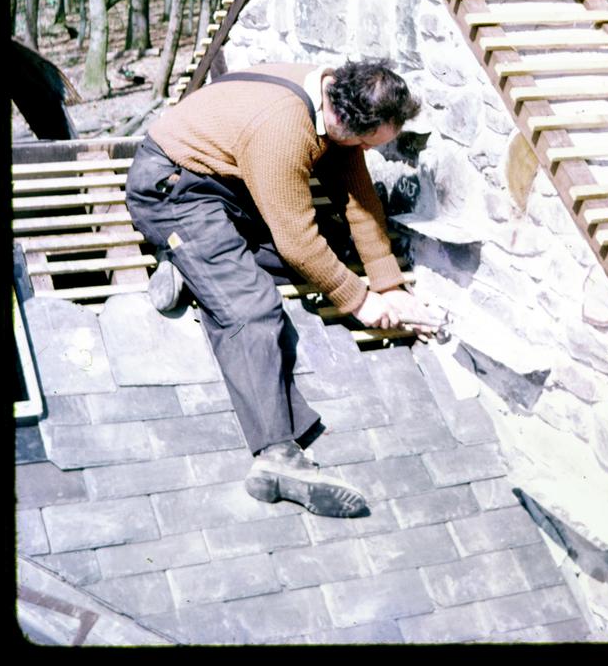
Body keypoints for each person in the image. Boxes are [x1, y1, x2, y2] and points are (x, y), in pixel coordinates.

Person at [125, 58, 445, 519]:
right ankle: (277, 458)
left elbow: (358, 199)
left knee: (332, 245)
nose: (371, 152)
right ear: (346, 123)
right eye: (369, 144)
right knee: (251, 308)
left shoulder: (334, 98)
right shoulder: (283, 127)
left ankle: (194, 264)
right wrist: (360, 302)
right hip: (173, 192)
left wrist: (389, 285)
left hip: (230, 186)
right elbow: (296, 243)